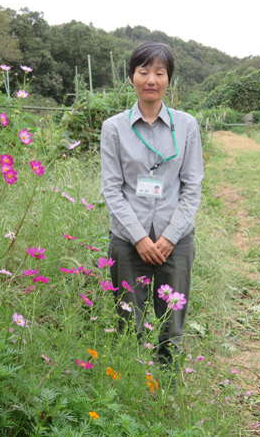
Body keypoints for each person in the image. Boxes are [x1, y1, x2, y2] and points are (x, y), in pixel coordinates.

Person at [100, 41, 204, 368]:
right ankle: (132, 393)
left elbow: (192, 186)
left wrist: (170, 237)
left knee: (170, 325)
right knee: (128, 321)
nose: (151, 79)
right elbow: (112, 189)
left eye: (159, 72)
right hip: (129, 242)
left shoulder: (186, 126)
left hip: (176, 242)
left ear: (168, 79)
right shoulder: (114, 128)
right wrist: (139, 238)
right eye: (143, 71)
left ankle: (166, 394)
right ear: (131, 76)